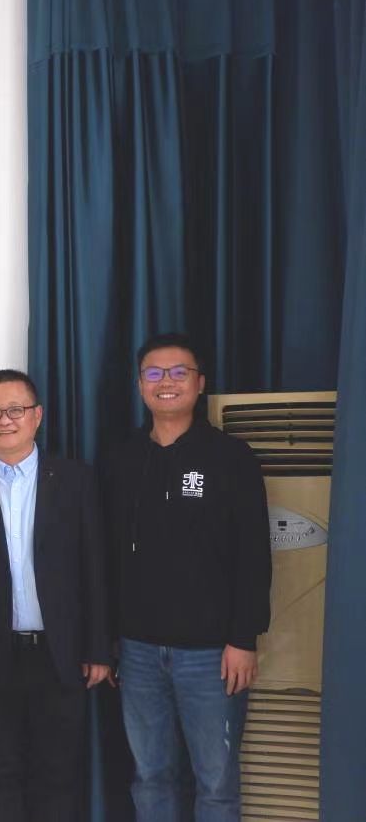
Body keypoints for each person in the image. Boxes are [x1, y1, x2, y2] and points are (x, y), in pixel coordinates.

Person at [101, 334, 270, 822]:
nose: (166, 382)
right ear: (140, 385)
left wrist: (244, 638)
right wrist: (106, 639)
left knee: (216, 783)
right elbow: (106, 555)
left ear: (200, 383)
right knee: (150, 776)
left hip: (212, 655)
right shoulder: (120, 459)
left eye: (179, 372)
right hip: (137, 652)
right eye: (154, 373)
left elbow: (254, 555)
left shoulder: (231, 457)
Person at [0, 368, 109, 821]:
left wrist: (98, 647)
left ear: (37, 416)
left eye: (15, 410)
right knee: (0, 771)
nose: (4, 420)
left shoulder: (74, 480)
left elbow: (95, 568)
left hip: (60, 653)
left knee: (58, 774)